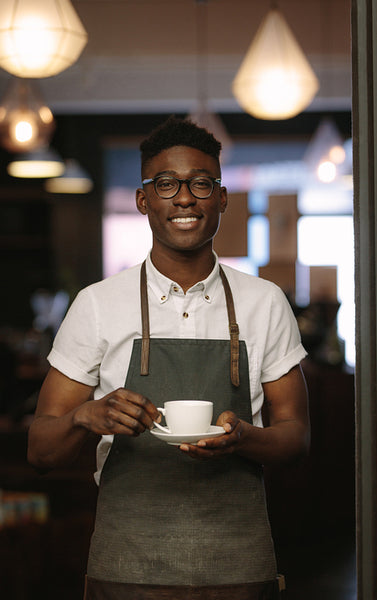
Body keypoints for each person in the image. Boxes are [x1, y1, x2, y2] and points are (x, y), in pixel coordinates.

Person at [28, 116, 310, 600]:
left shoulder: (265, 303)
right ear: (143, 200)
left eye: (201, 183)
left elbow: (297, 438)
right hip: (126, 564)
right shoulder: (97, 304)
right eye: (166, 184)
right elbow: (40, 450)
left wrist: (244, 438)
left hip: (238, 564)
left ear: (221, 198)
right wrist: (84, 416)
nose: (184, 197)